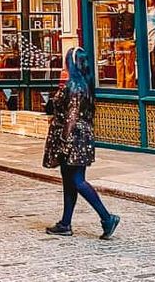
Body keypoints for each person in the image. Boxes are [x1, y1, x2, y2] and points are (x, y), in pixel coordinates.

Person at [42, 46, 120, 240]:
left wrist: (64, 141)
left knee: (77, 181)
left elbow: (72, 116)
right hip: (80, 137)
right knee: (70, 182)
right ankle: (65, 223)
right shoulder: (84, 84)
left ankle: (107, 217)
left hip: (73, 138)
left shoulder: (74, 87)